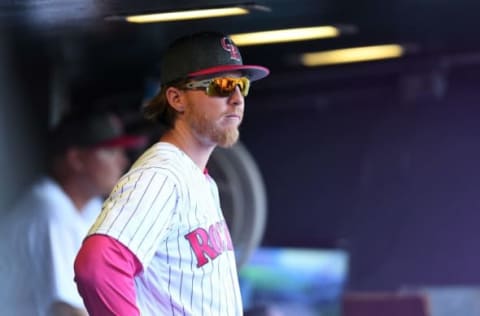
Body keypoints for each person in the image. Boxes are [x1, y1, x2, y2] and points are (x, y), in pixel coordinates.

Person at [73, 31, 270, 316]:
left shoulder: (199, 178)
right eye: (223, 85)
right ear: (177, 98)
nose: (237, 99)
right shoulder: (160, 176)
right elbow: (97, 266)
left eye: (242, 85)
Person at [0, 110, 145, 316]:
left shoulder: (91, 206)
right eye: (111, 152)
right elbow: (68, 311)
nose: (122, 161)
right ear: (76, 159)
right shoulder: (50, 208)